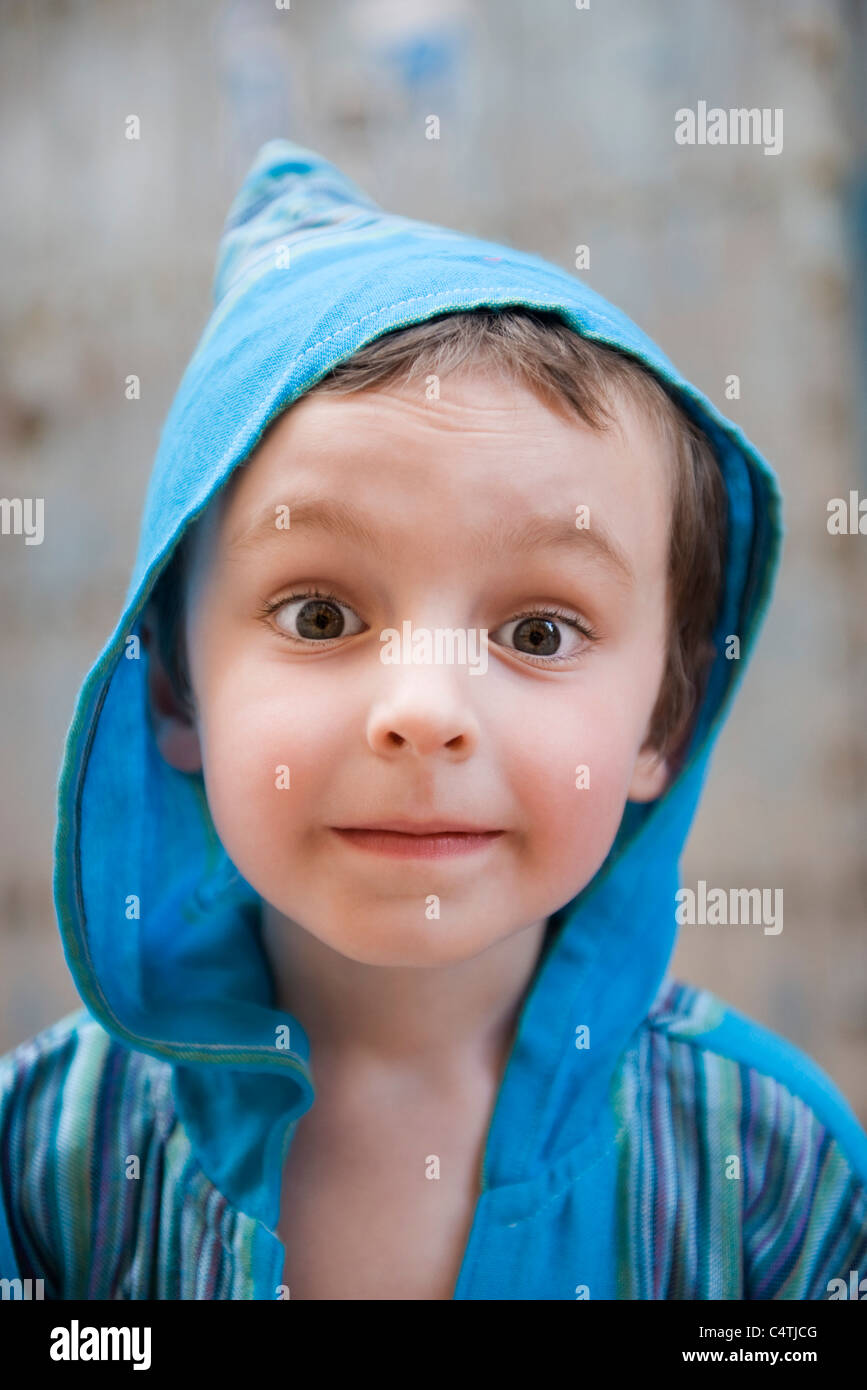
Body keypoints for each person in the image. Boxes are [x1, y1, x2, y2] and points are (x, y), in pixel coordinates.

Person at [1, 139, 865, 1300]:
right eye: (319, 614)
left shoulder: (765, 1174)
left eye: (540, 632)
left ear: (664, 716)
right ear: (173, 690)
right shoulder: (52, 1168)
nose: (423, 713)